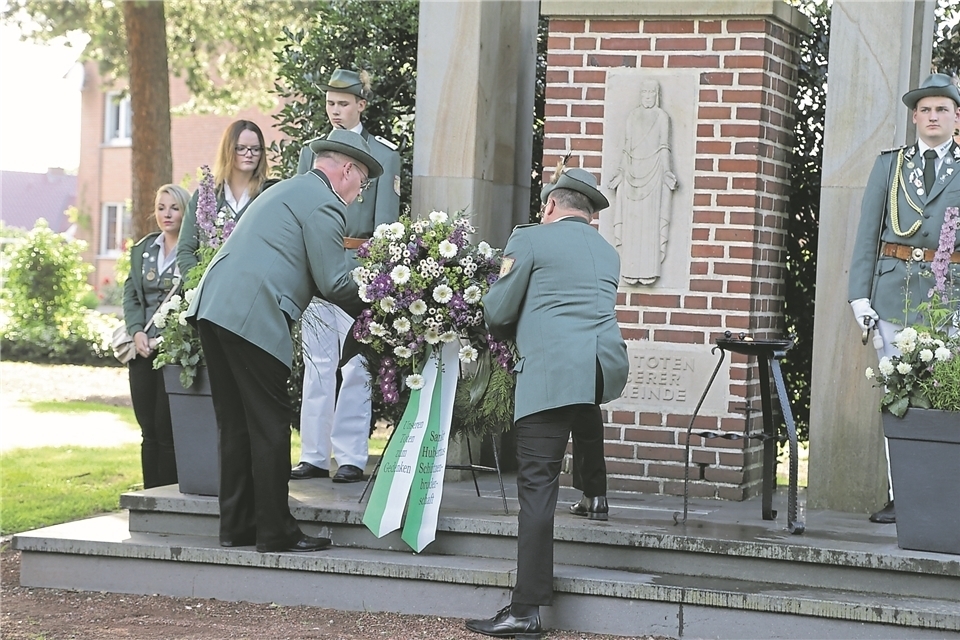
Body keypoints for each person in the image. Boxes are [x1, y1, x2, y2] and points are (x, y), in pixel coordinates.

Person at [185, 129, 382, 553]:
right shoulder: (325, 202)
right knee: (269, 425)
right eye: (362, 183)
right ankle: (275, 533)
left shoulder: (289, 189)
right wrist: (384, 298)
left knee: (235, 424)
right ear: (346, 170)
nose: (359, 194)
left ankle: (236, 528)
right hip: (252, 315)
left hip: (214, 307)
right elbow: (334, 281)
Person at [466, 167, 629, 638]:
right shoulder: (607, 251)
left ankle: (526, 608)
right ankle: (595, 494)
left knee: (537, 486)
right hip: (599, 365)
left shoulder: (531, 239)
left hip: (550, 371)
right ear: (589, 212)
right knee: (585, 411)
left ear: (552, 205)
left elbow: (498, 311)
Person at [848, 73, 960, 524]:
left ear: (957, 117)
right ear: (915, 116)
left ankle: (943, 493)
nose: (933, 116)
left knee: (945, 393)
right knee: (898, 395)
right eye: (926, 109)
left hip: (948, 295)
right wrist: (859, 295)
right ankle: (904, 493)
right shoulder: (889, 166)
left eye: (942, 109)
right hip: (892, 290)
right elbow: (867, 234)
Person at [291, 69, 402, 484]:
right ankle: (314, 455)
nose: (335, 111)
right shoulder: (312, 151)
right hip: (319, 264)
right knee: (317, 365)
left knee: (355, 365)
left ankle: (352, 455)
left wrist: (376, 276)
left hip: (359, 266)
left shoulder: (384, 154)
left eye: (343, 104)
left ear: (361, 105)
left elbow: (386, 227)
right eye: (330, 103)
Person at [122, 184, 191, 489]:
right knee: (147, 430)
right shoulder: (143, 249)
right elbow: (131, 296)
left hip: (174, 352)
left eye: (174, 207)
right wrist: (136, 331)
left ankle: (171, 498)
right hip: (142, 351)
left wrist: (168, 339)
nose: (167, 214)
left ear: (185, 211)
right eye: (161, 207)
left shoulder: (193, 253)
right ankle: (149, 497)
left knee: (168, 430)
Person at [177, 120, 271, 276]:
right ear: (228, 150)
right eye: (241, 148)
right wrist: (200, 285)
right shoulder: (205, 194)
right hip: (209, 288)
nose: (249, 154)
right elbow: (185, 250)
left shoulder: (268, 194)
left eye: (255, 149)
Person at [607, 78, 678, 286]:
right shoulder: (633, 116)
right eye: (644, 93)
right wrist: (620, 172)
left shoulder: (662, 117)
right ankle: (629, 269)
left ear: (656, 96)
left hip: (654, 172)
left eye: (651, 94)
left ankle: (649, 269)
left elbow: (664, 147)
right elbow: (626, 147)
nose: (647, 97)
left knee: (650, 223)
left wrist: (667, 172)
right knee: (632, 222)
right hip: (631, 173)